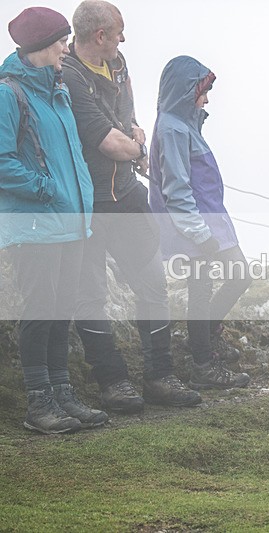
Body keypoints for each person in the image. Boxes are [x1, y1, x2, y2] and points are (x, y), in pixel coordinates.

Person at [62, 1, 200, 412]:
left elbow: (127, 118)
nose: (124, 38)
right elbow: (106, 139)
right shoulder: (68, 74)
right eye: (118, 31)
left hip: (128, 198)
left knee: (153, 283)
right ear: (100, 34)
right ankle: (113, 382)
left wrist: (135, 133)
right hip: (88, 204)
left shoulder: (117, 63)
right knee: (90, 295)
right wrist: (138, 146)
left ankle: (160, 375)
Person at [1, 7, 107, 433]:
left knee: (61, 310)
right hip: (34, 226)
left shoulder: (57, 89)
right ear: (42, 46)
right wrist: (44, 188)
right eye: (62, 41)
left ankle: (63, 395)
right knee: (41, 312)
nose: (67, 47)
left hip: (70, 224)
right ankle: (39, 404)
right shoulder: (9, 93)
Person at [148, 55, 251, 389]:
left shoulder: (183, 123)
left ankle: (206, 338)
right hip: (194, 223)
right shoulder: (173, 128)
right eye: (201, 91)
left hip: (210, 218)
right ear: (184, 90)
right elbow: (176, 189)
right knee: (203, 288)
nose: (206, 99)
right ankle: (204, 366)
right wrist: (198, 233)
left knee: (237, 276)